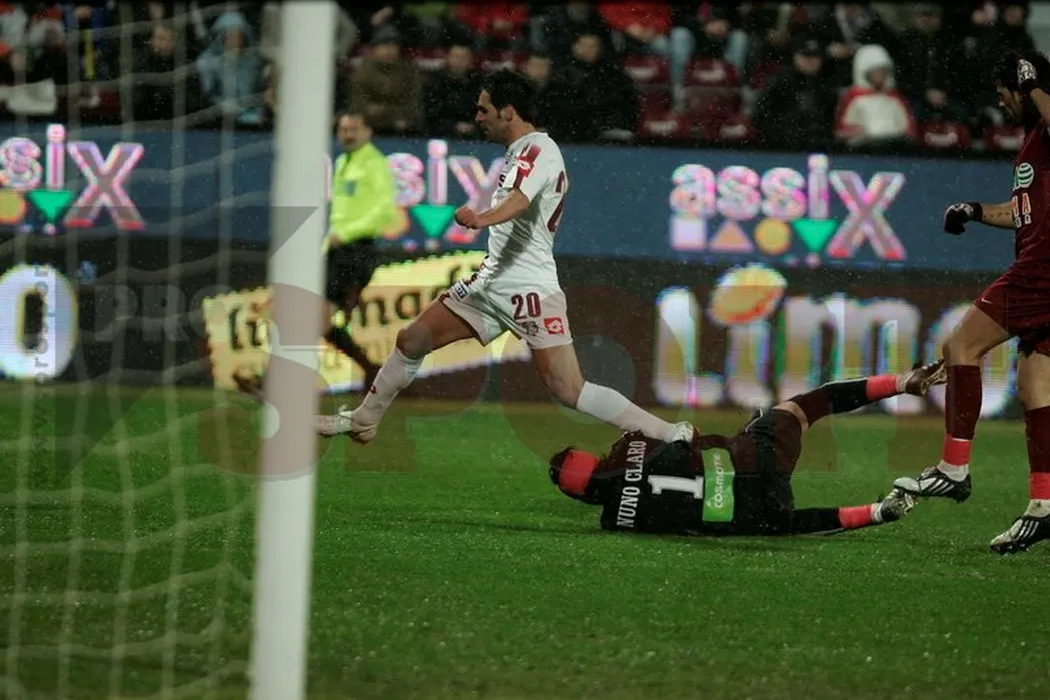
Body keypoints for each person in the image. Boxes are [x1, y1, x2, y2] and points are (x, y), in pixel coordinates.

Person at [316, 69, 694, 446]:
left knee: (569, 388)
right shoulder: (522, 153)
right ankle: (365, 419)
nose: (477, 117)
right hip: (490, 283)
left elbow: (519, 201)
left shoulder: (538, 149)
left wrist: (480, 219)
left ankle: (670, 435)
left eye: (484, 109)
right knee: (412, 339)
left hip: (529, 289)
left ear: (508, 111)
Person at [893, 51, 1050, 555]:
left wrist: (1033, 85)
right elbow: (1025, 212)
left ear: (1023, 88)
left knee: (961, 346)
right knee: (1036, 389)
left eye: (1005, 93)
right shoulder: (1034, 140)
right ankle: (1043, 505)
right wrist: (975, 211)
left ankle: (953, 468)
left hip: (1042, 272)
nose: (1001, 103)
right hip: (1041, 269)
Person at [548, 362, 947, 537]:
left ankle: (878, 511)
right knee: (808, 405)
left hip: (751, 511)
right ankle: (901, 383)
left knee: (787, 525)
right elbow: (687, 434)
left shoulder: (615, 522)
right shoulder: (633, 444)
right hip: (753, 457)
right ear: (592, 458)